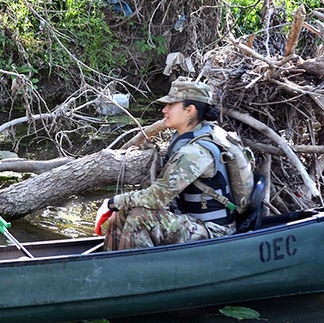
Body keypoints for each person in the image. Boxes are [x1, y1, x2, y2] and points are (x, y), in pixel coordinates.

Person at [95, 79, 238, 251]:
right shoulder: (190, 137)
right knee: (121, 214)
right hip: (191, 221)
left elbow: (156, 198)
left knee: (139, 218)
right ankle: (111, 264)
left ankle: (138, 273)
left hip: (215, 231)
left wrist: (111, 202)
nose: (164, 110)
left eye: (171, 105)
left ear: (189, 111)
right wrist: (118, 207)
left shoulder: (195, 152)